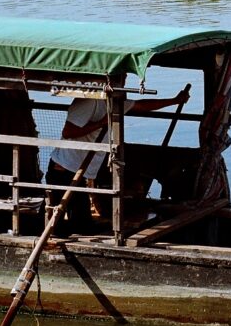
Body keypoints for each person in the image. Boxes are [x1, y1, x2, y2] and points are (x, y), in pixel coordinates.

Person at [46, 88, 189, 234]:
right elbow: (68, 132)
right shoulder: (89, 101)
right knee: (58, 219)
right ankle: (45, 237)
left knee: (82, 222)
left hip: (80, 170)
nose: (124, 81)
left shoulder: (115, 102)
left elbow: (142, 105)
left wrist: (174, 101)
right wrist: (102, 122)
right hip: (63, 168)